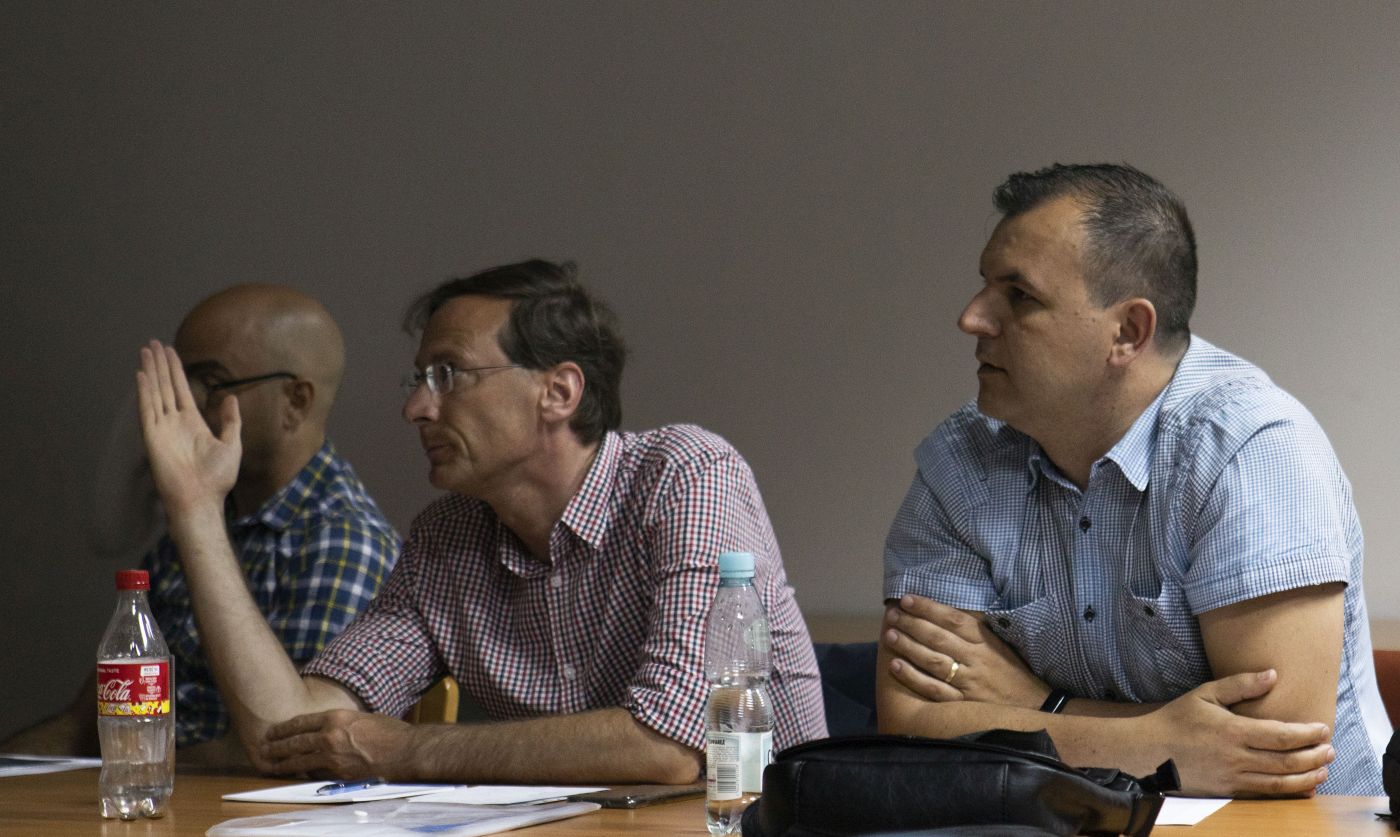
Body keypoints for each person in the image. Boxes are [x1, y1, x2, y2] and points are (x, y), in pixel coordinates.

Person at [133, 259, 826, 784]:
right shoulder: (448, 536)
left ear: (558, 391)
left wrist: (407, 749)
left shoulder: (686, 474)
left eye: (448, 374)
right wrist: (196, 508)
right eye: (419, 380)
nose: (416, 409)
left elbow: (673, 744)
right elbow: (287, 731)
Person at [878, 163, 1388, 797]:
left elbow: (1270, 751)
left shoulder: (1249, 448)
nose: (972, 318)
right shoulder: (962, 461)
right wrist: (1159, 741)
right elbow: (912, 723)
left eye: (1020, 296)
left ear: (1128, 332)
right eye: (983, 285)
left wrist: (1040, 706)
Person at [3, 285, 399, 764]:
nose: (186, 408)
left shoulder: (342, 543)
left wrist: (126, 768)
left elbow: (290, 751)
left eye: (211, 383)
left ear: (296, 401)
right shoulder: (208, 520)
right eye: (180, 383)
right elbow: (92, 722)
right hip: (139, 784)